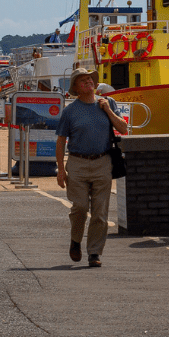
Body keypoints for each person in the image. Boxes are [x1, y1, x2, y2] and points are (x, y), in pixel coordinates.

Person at [55, 67, 128, 268]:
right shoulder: (70, 111)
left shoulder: (108, 103)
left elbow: (123, 128)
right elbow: (61, 141)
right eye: (83, 80)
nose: (88, 82)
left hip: (103, 162)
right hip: (77, 163)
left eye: (90, 79)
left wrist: (108, 110)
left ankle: (94, 252)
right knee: (79, 207)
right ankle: (76, 241)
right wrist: (61, 169)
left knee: (100, 212)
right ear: (77, 88)